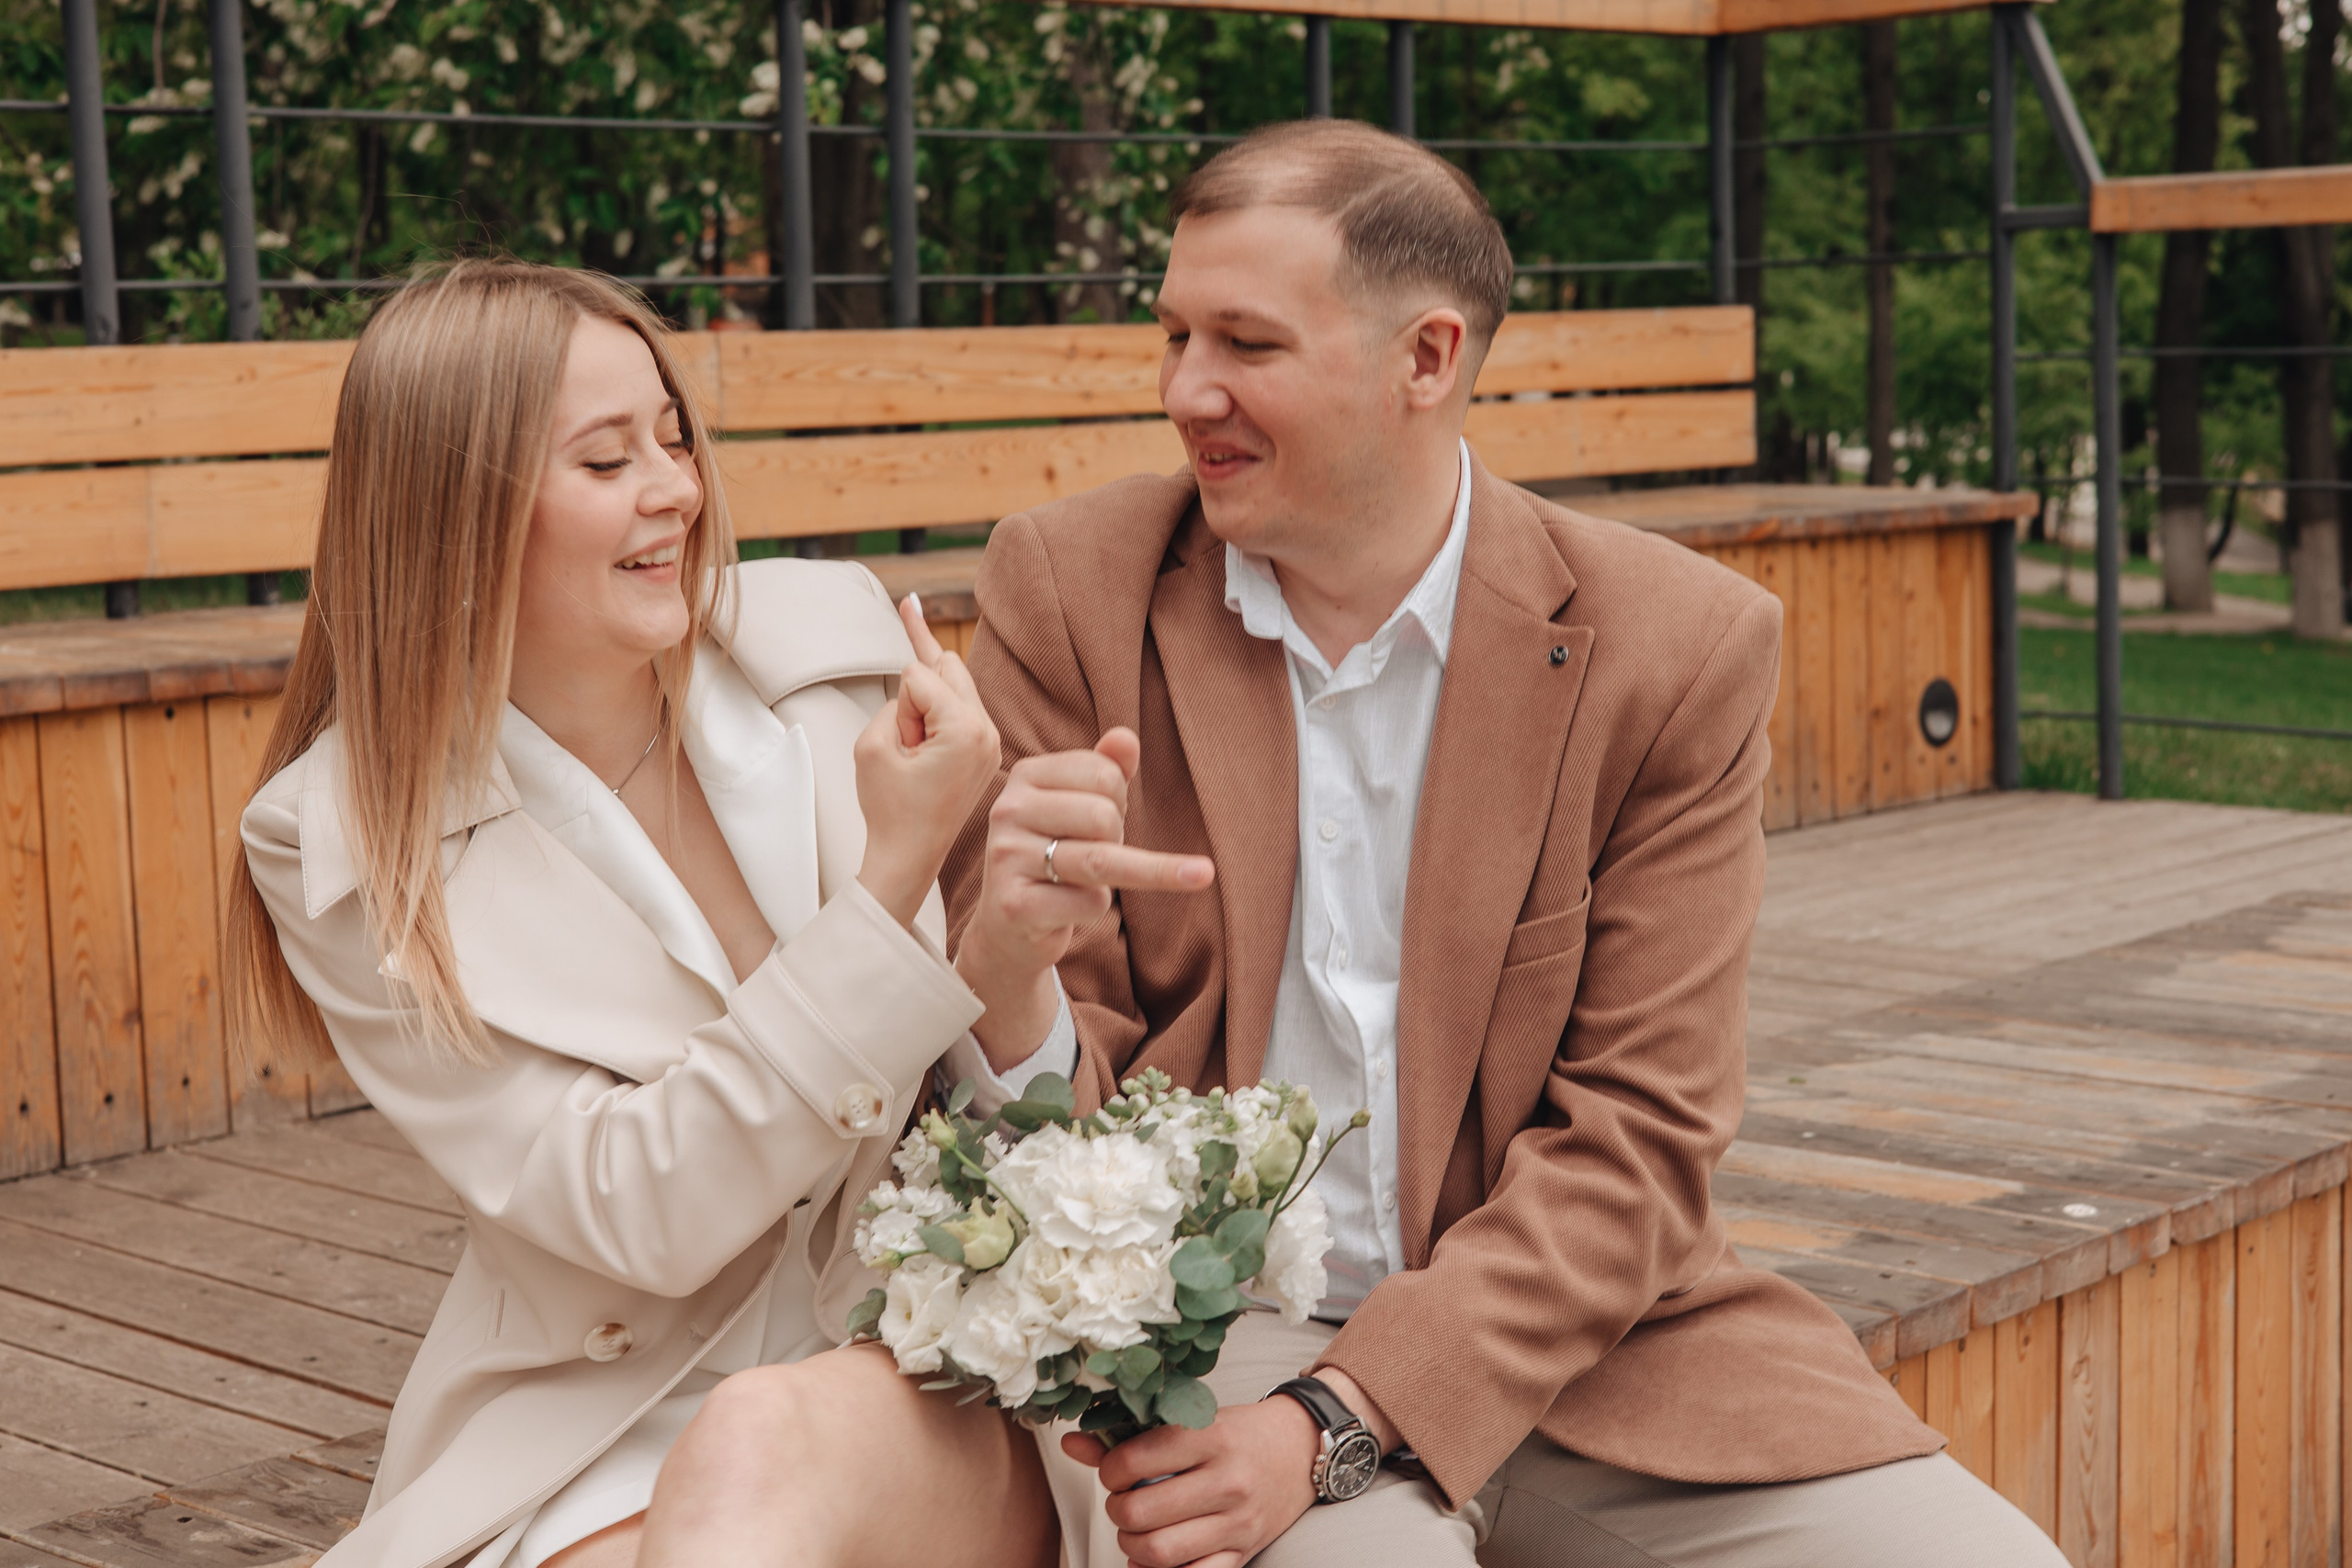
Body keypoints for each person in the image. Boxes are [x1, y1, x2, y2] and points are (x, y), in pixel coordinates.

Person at [944, 121, 2070, 1568]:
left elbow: (1642, 1143)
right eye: (1171, 334)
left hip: (1589, 1352)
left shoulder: (1677, 647)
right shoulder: (1072, 589)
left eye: (1244, 342)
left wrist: (1341, 1418)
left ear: (1428, 357)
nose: (1185, 391)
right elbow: (1043, 1135)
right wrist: (1010, 965)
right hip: (1213, 1343)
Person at [226, 259, 1058, 1568]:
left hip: (920, 1368)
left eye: (673, 438)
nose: (677, 487)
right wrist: (889, 882)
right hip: (600, 1411)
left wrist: (1010, 937)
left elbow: (1021, 1115)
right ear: (460, 512)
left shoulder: (829, 658)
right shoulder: (335, 843)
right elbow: (635, 1213)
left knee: (751, 1473)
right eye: (607, 461)